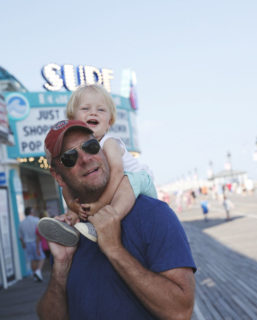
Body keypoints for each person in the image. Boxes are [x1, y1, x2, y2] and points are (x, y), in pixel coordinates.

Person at [37, 120, 196, 319]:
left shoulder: (154, 214)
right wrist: (61, 264)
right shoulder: (69, 232)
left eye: (90, 146)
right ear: (58, 177)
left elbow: (180, 312)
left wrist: (114, 249)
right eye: (70, 157)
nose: (85, 158)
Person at [44, 84, 157, 242]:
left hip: (139, 180)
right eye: (85, 109)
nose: (93, 113)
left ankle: (105, 222)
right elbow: (66, 187)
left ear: (109, 122)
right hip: (116, 185)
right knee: (72, 182)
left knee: (127, 181)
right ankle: (70, 223)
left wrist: (99, 204)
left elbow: (117, 173)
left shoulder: (109, 143)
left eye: (101, 110)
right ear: (72, 120)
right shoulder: (82, 152)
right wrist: (73, 205)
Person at [19, 207, 45, 282]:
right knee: (41, 258)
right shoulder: (36, 220)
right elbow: (39, 232)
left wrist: (23, 244)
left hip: (27, 243)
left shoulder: (21, 223)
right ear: (31, 212)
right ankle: (38, 271)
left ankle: (35, 275)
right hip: (36, 242)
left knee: (32, 259)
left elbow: (20, 236)